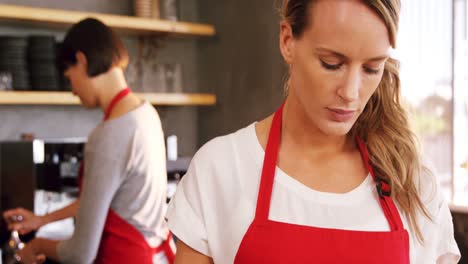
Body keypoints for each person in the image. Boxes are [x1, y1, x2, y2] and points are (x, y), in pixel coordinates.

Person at [166, 0, 461, 263]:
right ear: (287, 41)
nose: (350, 92)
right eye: (331, 64)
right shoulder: (220, 169)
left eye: (372, 68)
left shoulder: (414, 183)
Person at [3, 18, 175, 264]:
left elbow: (80, 254)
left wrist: (37, 245)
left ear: (82, 61)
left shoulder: (109, 134)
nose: (73, 90)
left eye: (69, 75)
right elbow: (104, 199)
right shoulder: (146, 113)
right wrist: (42, 220)